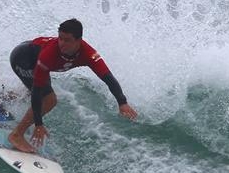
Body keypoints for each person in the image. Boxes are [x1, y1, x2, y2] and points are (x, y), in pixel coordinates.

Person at [8, 18, 138, 153]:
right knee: (49, 99)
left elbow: (108, 77)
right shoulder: (48, 55)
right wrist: (39, 124)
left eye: (67, 40)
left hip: (35, 61)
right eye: (60, 38)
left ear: (78, 40)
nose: (61, 44)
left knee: (39, 92)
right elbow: (37, 91)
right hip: (23, 58)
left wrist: (122, 102)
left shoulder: (88, 54)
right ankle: (16, 135)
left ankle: (4, 97)